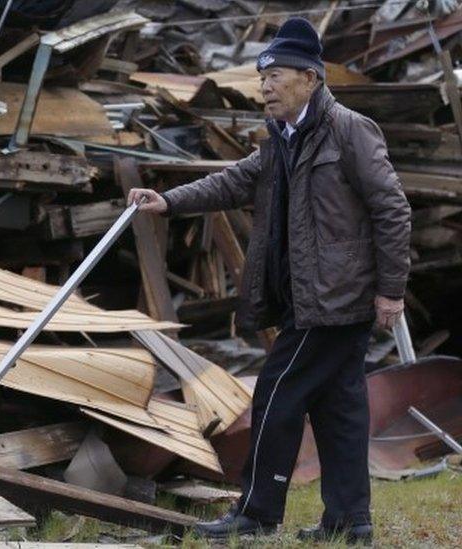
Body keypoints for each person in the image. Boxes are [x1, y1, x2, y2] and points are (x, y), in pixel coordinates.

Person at [127, 17, 411, 544]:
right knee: (338, 408)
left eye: (275, 76)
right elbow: (236, 180)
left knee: (276, 396)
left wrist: (391, 289)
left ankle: (257, 514)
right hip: (309, 299)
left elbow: (392, 210)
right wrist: (168, 201)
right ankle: (350, 522)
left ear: (310, 77)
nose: (265, 87)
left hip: (333, 299)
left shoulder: (349, 130)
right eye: (262, 78)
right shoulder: (281, 138)